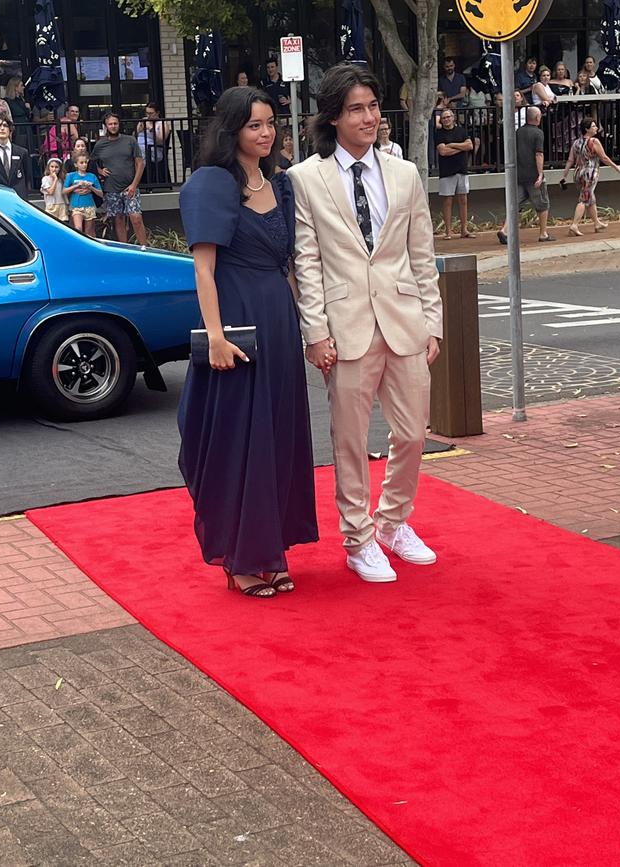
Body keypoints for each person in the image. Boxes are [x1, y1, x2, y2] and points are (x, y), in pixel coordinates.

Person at [288, 63, 442, 584]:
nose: (369, 117)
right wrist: (316, 332)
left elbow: (422, 253)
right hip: (346, 326)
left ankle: (394, 522)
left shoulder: (405, 174)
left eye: (374, 106)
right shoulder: (305, 179)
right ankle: (358, 539)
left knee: (414, 433)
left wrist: (434, 322)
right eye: (356, 108)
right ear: (333, 117)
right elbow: (305, 263)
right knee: (350, 441)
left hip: (404, 320)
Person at [177, 86, 318, 597]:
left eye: (270, 122)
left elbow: (289, 268)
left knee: (277, 435)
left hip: (278, 322)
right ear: (232, 128)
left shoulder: (280, 184)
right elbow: (204, 269)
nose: (265, 132)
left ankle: (271, 547)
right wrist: (214, 336)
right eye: (254, 124)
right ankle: (240, 556)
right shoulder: (211, 184)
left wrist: (310, 331)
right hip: (236, 324)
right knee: (239, 440)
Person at [497, 106, 555, 245]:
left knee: (515, 203)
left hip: (519, 173)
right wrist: (540, 174)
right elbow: (539, 154)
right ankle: (543, 233)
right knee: (542, 204)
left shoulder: (518, 132)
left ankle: (504, 230)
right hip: (532, 174)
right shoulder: (538, 133)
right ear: (536, 118)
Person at [91, 111, 147, 245]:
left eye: (115, 123)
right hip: (111, 188)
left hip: (130, 187)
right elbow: (90, 163)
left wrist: (134, 185)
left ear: (119, 124)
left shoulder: (130, 140)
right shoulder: (100, 144)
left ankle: (145, 247)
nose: (113, 126)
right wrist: (100, 171)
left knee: (136, 218)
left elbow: (140, 163)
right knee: (118, 219)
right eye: (110, 124)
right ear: (106, 126)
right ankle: (126, 249)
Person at [562, 117, 620, 236]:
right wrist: (615, 166)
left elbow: (570, 160)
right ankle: (574, 224)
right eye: (593, 126)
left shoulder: (576, 142)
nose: (596, 128)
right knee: (584, 199)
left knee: (590, 198)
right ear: (587, 129)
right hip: (590, 173)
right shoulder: (594, 142)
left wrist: (565, 175)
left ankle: (597, 223)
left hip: (578, 173)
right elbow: (603, 157)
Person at [435, 108, 475, 240]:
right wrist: (460, 147)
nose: (446, 119)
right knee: (447, 200)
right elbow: (443, 152)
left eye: (448, 117)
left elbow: (469, 146)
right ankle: (448, 231)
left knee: (463, 199)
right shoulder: (439, 133)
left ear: (453, 117)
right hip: (447, 171)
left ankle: (464, 229)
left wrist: (452, 145)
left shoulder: (461, 131)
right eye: (444, 117)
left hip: (462, 169)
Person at [0, 112, 31, 199]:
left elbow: (27, 177)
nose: (2, 128)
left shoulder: (22, 152)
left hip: (18, 199)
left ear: (10, 130)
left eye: (5, 125)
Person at [63, 152, 103, 237]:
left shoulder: (92, 176)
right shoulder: (71, 176)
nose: (84, 165)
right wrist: (76, 186)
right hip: (76, 206)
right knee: (78, 228)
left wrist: (91, 188)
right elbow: (64, 191)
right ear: (76, 164)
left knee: (89, 232)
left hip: (89, 206)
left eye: (85, 162)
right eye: (81, 163)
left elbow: (101, 194)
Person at [136, 102, 171, 185]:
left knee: (140, 153)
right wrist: (140, 127)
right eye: (147, 113)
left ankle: (137, 178)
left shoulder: (162, 123)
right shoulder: (143, 120)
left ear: (157, 113)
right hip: (140, 148)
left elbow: (161, 140)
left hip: (153, 150)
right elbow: (136, 135)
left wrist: (151, 129)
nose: (148, 116)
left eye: (151, 113)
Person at [41, 157, 68, 222]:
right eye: (52, 167)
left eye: (56, 167)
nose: (54, 169)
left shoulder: (62, 179)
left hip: (62, 205)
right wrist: (55, 179)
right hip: (51, 205)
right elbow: (50, 192)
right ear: (48, 168)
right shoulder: (45, 179)